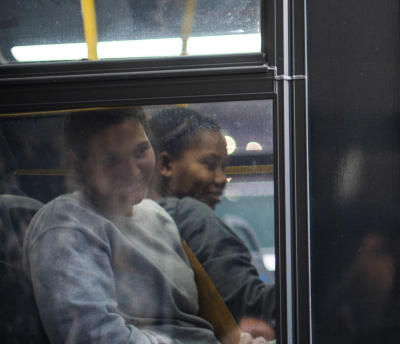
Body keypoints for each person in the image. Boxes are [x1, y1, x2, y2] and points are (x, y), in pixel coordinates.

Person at [22, 108, 222, 344]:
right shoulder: (65, 226)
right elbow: (92, 336)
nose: (132, 170)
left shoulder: (158, 216)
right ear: (79, 163)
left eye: (140, 151)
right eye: (111, 160)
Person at [148, 107, 276, 335]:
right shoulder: (189, 216)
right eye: (209, 165)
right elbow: (254, 308)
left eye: (223, 168)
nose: (221, 179)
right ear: (166, 165)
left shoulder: (135, 219)